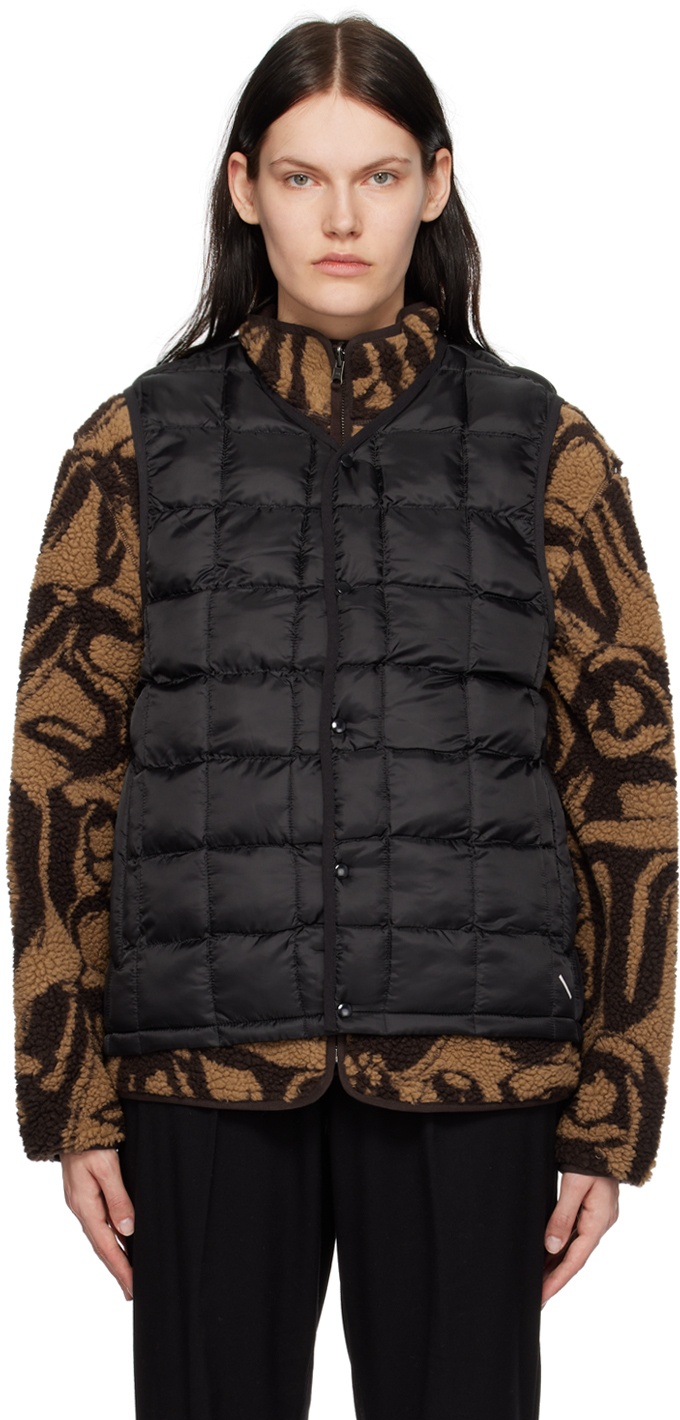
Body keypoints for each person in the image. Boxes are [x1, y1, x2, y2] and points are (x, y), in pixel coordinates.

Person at [7, 15, 677, 1420]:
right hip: (201, 1068)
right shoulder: (131, 448)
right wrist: (68, 1093)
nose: (341, 219)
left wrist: (613, 1108)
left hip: (477, 1070)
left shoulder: (546, 450)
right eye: (302, 177)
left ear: (437, 182)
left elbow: (630, 784)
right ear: (244, 188)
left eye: (378, 176)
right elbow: (59, 777)